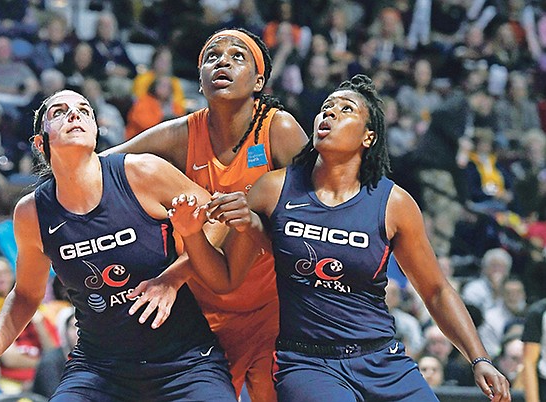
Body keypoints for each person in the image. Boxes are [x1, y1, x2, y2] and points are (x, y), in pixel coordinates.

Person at [169, 74, 511, 401]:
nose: (330, 113)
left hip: (382, 359)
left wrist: (478, 357)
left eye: (346, 109)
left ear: (368, 137)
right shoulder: (273, 189)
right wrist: (194, 234)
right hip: (307, 363)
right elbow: (226, 278)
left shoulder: (394, 203)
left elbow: (435, 290)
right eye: (326, 108)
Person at [0, 89, 236, 401]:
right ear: (40, 142)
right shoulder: (32, 212)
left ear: (96, 130)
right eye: (59, 112)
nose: (74, 114)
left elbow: (218, 218)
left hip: (184, 361)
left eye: (84, 110)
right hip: (101, 369)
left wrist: (173, 277)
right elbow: (25, 296)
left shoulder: (141, 172)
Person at [106, 27, 308, 401]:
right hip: (203, 313)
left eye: (237, 56)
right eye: (212, 57)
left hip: (272, 309)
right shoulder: (182, 133)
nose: (223, 63)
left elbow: (323, 204)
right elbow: (104, 167)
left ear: (259, 80)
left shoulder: (278, 129)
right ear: (199, 81)